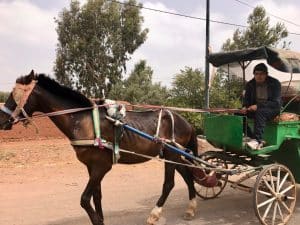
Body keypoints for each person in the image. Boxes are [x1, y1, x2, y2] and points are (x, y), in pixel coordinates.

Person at [242, 63, 281, 150]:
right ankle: (250, 136)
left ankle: (257, 140)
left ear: (266, 74)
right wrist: (244, 107)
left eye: (261, 74)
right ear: (254, 74)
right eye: (256, 74)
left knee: (260, 112)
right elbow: (246, 100)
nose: (259, 76)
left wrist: (258, 106)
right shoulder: (250, 84)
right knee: (239, 114)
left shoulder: (275, 83)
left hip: (272, 109)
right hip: (255, 108)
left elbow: (276, 103)